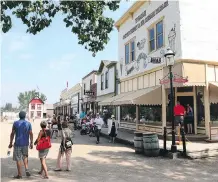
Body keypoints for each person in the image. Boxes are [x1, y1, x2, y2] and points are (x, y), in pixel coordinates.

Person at [8, 111, 33, 179]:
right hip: (25, 144)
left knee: (18, 159)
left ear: (19, 116)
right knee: (25, 156)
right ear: (25, 116)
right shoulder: (28, 123)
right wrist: (31, 142)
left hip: (18, 144)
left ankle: (19, 175)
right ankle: (27, 169)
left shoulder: (15, 123)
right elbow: (31, 133)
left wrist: (10, 143)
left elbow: (12, 133)